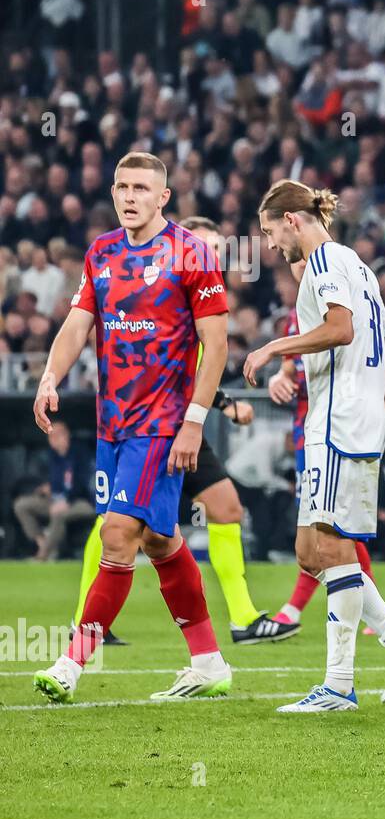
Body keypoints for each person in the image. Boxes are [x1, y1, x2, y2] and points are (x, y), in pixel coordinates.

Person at [32, 152, 234, 703]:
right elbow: (79, 324)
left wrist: (194, 423)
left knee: (118, 536)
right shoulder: (101, 252)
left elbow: (215, 346)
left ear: (163, 197)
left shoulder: (191, 255)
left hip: (164, 423)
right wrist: (51, 375)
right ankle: (209, 659)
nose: (128, 196)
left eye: (141, 188)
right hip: (112, 425)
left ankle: (71, 665)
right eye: (122, 186)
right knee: (161, 539)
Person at [245, 179, 385, 711]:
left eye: (269, 231)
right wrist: (380, 406)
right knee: (313, 550)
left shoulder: (327, 260)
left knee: (328, 544)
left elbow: (341, 329)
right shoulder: (359, 266)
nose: (269, 245)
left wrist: (272, 347)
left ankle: (338, 684)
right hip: (355, 419)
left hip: (336, 421)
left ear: (291, 219)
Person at [71, 215, 299, 645]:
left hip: (185, 426)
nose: (209, 254)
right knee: (118, 525)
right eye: (203, 245)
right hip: (152, 426)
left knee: (224, 508)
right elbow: (173, 367)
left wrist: (221, 405)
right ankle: (87, 623)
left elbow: (198, 367)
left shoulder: (200, 291)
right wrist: (227, 405)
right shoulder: (165, 289)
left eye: (213, 247)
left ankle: (242, 619)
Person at [267, 268, 379, 629]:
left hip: (338, 429)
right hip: (307, 432)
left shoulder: (341, 310)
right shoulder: (294, 320)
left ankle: (295, 609)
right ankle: (376, 618)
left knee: (330, 527)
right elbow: (289, 368)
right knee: (327, 527)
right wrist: (280, 378)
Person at [13, 420, 95, 561]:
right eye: (51, 436)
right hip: (56, 500)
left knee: (59, 514)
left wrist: (67, 501)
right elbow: (57, 481)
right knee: (22, 505)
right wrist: (48, 488)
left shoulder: (80, 453)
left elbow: (83, 483)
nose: (53, 440)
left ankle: (43, 556)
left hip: (82, 501)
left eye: (57, 435)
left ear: (66, 435)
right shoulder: (53, 455)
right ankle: (42, 543)